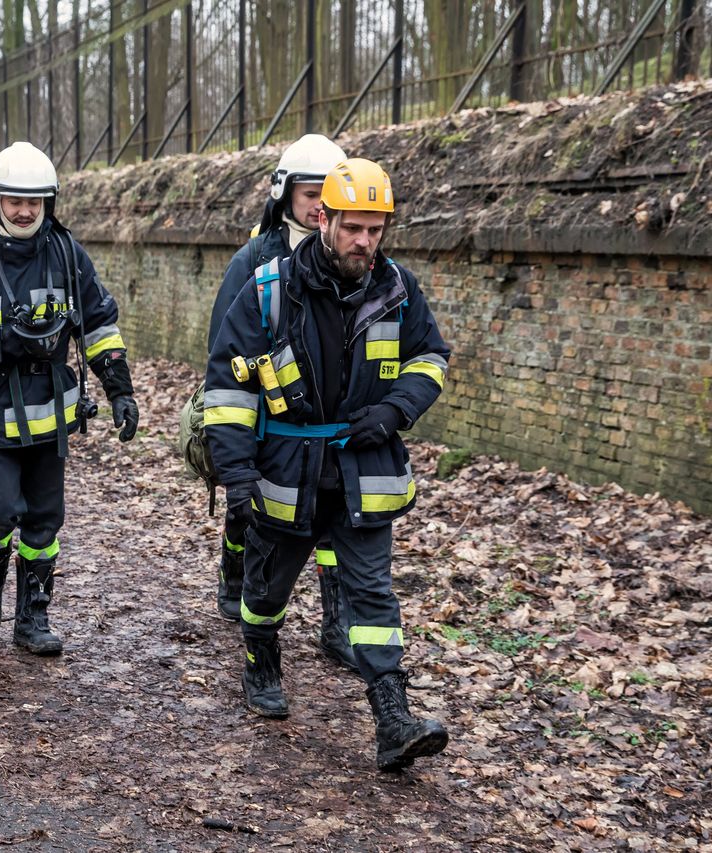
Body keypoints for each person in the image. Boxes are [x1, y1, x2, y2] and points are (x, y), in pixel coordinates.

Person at [204, 158, 451, 771]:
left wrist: (396, 410)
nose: (364, 242)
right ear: (325, 220)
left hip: (362, 469)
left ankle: (392, 715)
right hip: (286, 469)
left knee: (371, 593)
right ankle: (261, 658)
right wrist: (236, 477)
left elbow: (432, 360)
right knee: (268, 588)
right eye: (352, 229)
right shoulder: (267, 289)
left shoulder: (398, 289)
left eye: (375, 229)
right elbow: (228, 390)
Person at [0, 141, 138, 656]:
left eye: (35, 202)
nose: (24, 211)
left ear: (49, 203)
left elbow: (99, 327)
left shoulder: (67, 254)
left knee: (44, 520)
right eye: (15, 200)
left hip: (50, 415)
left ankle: (33, 618)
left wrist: (120, 390)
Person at [205, 135, 359, 674]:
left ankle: (336, 624)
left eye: (329, 194)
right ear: (285, 195)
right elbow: (224, 344)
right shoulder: (255, 258)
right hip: (269, 416)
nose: (319, 204)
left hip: (327, 425)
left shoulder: (354, 261)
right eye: (310, 192)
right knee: (253, 511)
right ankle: (235, 574)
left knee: (335, 524)